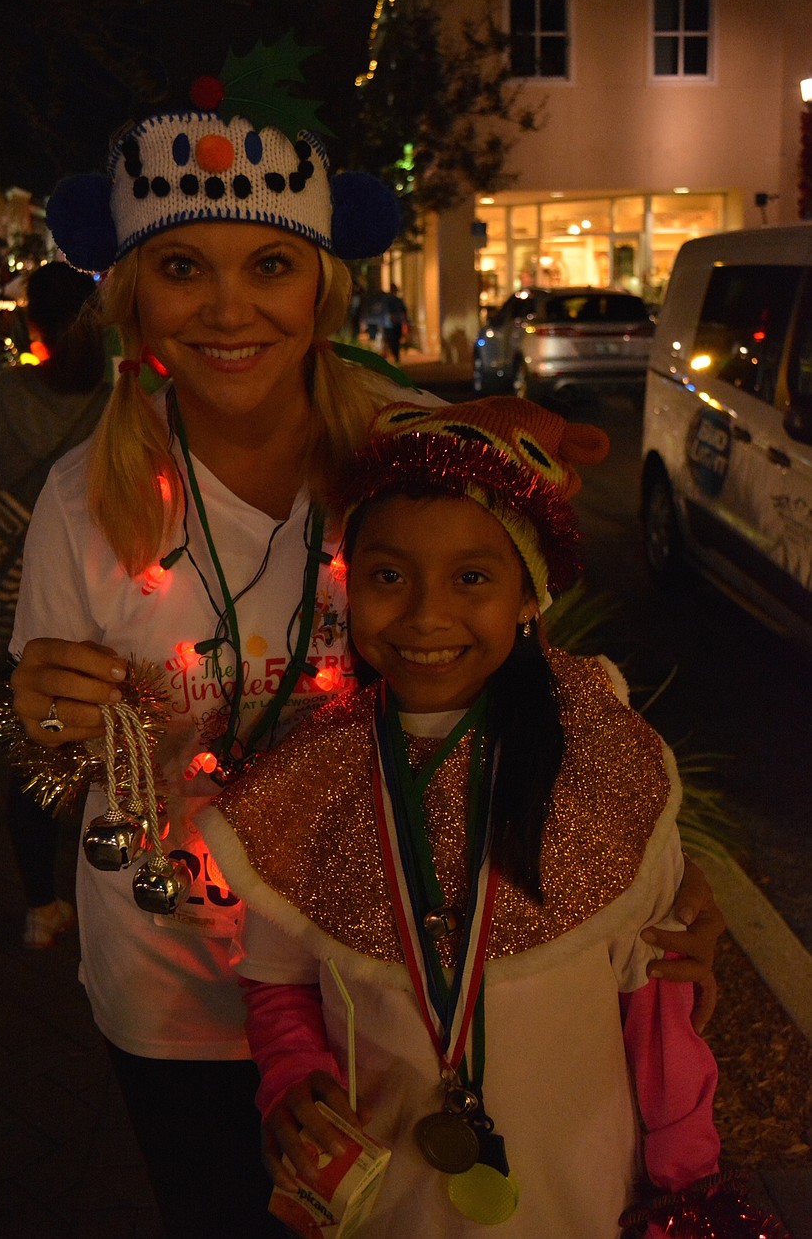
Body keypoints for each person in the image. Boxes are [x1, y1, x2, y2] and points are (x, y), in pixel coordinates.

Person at [7, 52, 721, 1238]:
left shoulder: (424, 452)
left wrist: (665, 871)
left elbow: (546, 693)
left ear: (323, 288)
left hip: (394, 991)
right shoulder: (85, 500)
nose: (227, 309)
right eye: (182, 268)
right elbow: (56, 754)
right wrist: (44, 718)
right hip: (177, 998)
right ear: (130, 295)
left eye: (269, 265)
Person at [197, 397, 730, 1239]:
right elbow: (279, 976)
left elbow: (658, 993)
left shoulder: (600, 758)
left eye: (472, 577)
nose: (426, 614)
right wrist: (292, 1072)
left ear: (528, 593)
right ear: (349, 581)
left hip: (580, 1193)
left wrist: (688, 1185)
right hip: (391, 1204)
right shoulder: (309, 777)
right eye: (389, 576)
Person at [0, 261, 109, 948]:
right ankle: (117, 890)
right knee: (117, 739)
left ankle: (43, 906)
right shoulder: (120, 401)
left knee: (36, 744)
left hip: (18, 600)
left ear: (33, 325)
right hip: (105, 588)